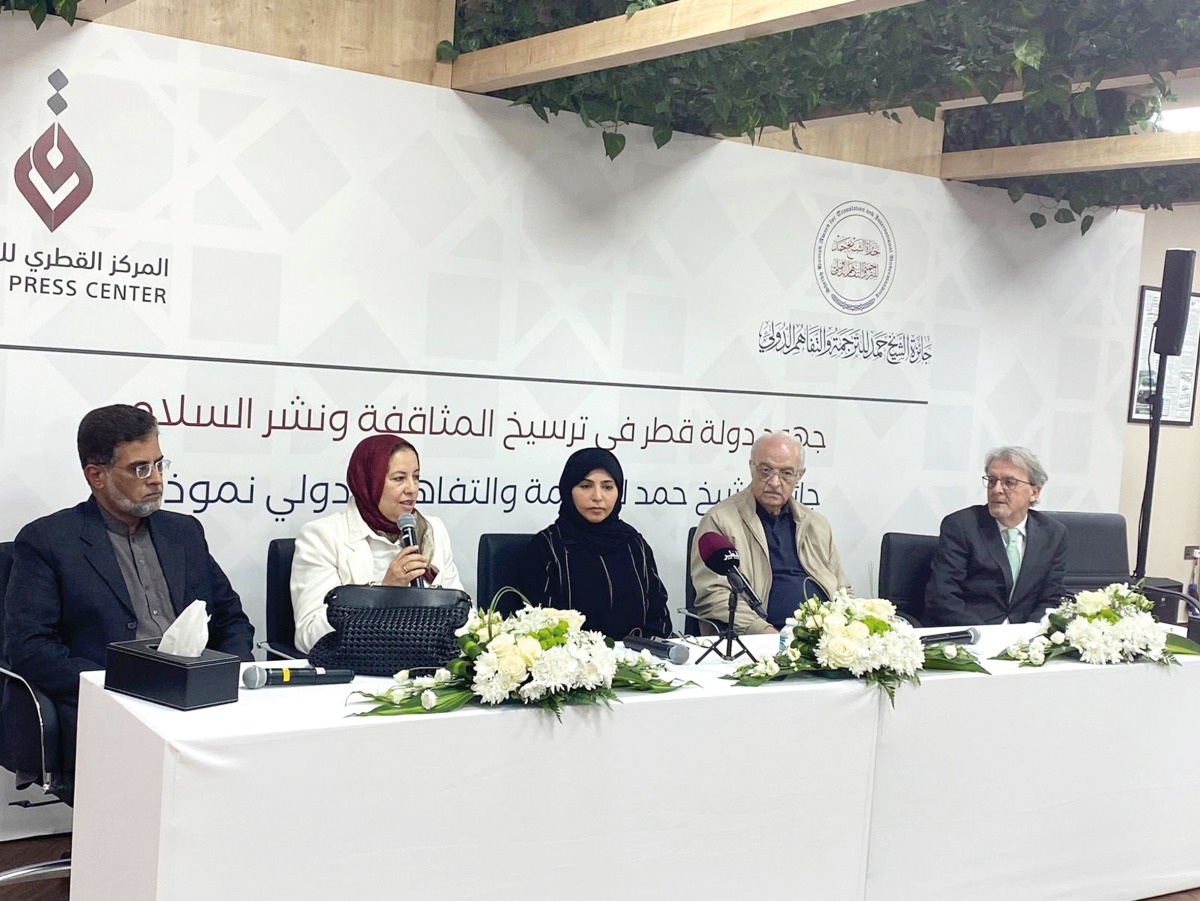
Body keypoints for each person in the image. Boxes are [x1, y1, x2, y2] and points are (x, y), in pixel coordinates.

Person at [4, 404, 255, 799]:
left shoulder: (184, 533)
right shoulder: (48, 541)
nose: (156, 479)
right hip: (110, 704)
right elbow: (29, 649)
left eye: (159, 463)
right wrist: (115, 687)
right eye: (140, 468)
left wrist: (231, 675)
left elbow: (231, 619)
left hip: (198, 699)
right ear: (96, 475)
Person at [290, 434, 464, 654]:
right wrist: (384, 592)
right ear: (368, 482)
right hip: (358, 674)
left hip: (427, 668)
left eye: (416, 477)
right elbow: (310, 636)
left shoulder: (432, 531)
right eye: (399, 478)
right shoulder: (322, 537)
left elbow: (463, 617)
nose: (412, 488)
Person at [690, 432, 849, 634]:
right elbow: (713, 596)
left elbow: (844, 591)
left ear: (800, 475)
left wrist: (851, 629)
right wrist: (765, 632)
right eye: (766, 471)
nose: (774, 482)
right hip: (761, 639)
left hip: (823, 641)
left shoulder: (817, 525)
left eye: (786, 473)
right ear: (751, 468)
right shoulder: (720, 520)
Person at [517, 448, 671, 640]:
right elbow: (541, 625)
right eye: (585, 486)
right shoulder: (547, 547)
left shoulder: (634, 544)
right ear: (567, 490)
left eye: (607, 487)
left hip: (639, 661)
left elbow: (658, 616)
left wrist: (644, 655)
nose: (597, 496)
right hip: (573, 663)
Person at [923, 446, 1068, 626]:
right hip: (971, 635)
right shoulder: (962, 526)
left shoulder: (1053, 534)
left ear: (1034, 492)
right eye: (992, 481)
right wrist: (987, 637)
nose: (997, 489)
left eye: (1010, 482)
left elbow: (1051, 597)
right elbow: (942, 596)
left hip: (1025, 640)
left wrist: (1030, 634)